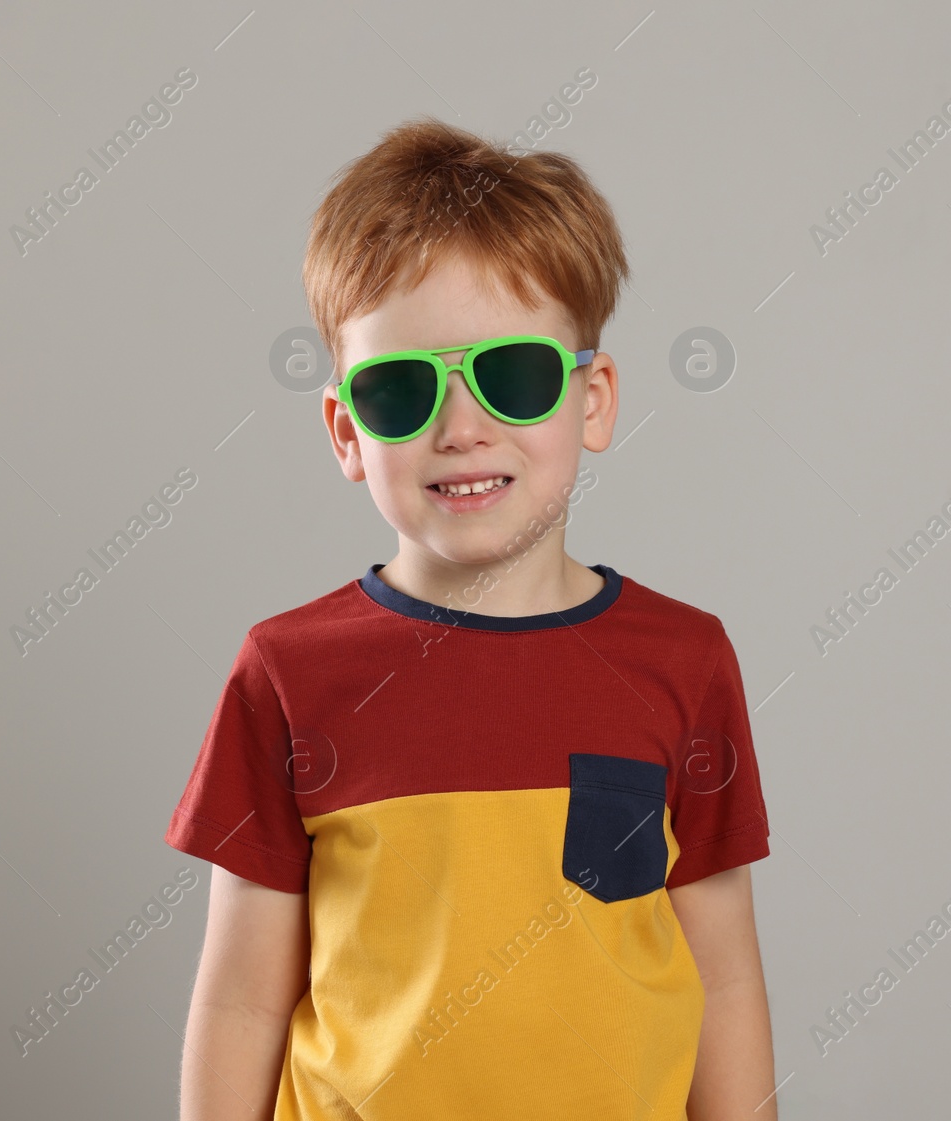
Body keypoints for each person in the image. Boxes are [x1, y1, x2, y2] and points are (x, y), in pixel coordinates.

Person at [164, 115, 776, 1121]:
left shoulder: (683, 660)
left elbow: (728, 973)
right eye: (402, 389)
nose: (460, 427)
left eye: (514, 375)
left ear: (592, 400)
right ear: (346, 431)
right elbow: (238, 997)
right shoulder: (288, 672)